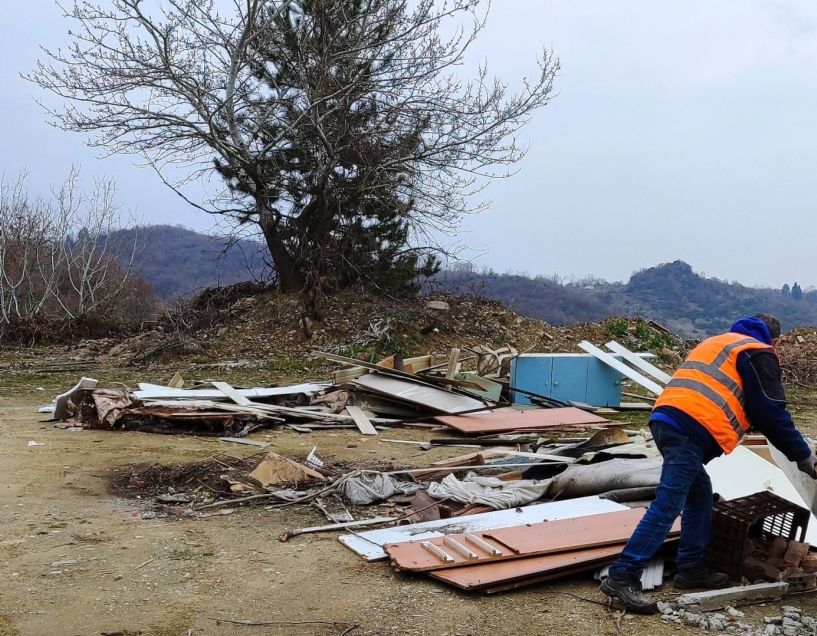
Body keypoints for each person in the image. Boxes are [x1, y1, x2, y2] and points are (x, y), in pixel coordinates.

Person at [600, 314, 817, 614]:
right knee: (669, 502)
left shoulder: (720, 343)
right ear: (774, 339)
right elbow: (771, 412)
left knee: (699, 492)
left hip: (666, 421)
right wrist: (804, 458)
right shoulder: (758, 352)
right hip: (690, 428)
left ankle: (691, 568)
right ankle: (623, 574)